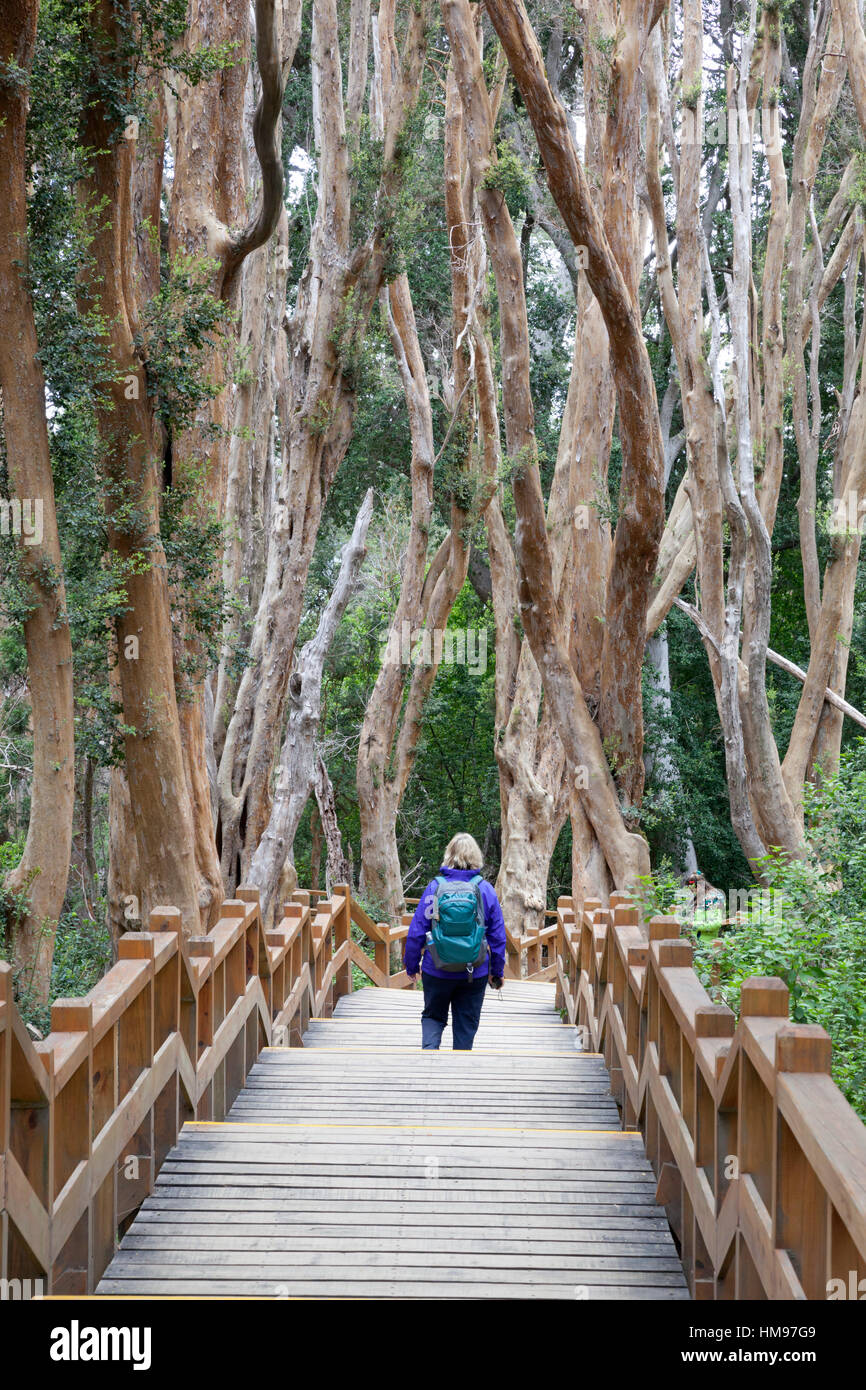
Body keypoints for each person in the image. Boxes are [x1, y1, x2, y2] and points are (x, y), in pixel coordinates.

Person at [404, 833, 506, 1050]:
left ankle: (429, 1059)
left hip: (437, 968)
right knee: (466, 1024)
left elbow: (417, 931)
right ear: (475, 857)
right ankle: (460, 1068)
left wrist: (411, 965)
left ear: (449, 855)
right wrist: (496, 971)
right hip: (474, 971)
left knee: (433, 1016)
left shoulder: (435, 888)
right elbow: (497, 936)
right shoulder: (485, 890)